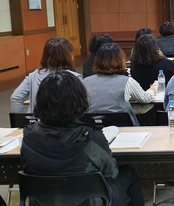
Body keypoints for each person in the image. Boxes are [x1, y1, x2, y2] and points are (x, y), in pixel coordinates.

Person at [20, 71, 144, 206]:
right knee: (129, 174)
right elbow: (111, 172)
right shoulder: (91, 138)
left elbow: (27, 166)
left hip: (42, 200)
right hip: (88, 200)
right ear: (79, 100)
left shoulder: (28, 137)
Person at [83, 43, 153, 125]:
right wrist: (152, 91)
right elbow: (145, 99)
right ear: (120, 60)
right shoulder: (127, 81)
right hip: (125, 129)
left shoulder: (84, 82)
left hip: (93, 128)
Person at [11, 37, 81, 113]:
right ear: (68, 56)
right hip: (65, 123)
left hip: (36, 122)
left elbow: (16, 97)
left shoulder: (33, 75)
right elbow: (83, 102)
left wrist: (20, 121)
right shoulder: (75, 77)